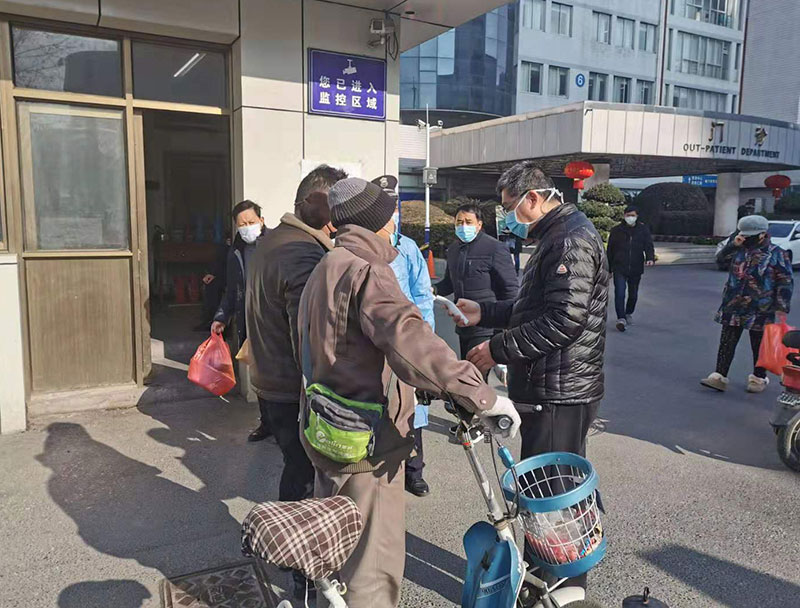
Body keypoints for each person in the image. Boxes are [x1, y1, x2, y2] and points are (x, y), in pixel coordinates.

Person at [298, 177, 520, 608]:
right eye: (390, 213)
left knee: (338, 553)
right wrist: (482, 396)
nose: (394, 221)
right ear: (377, 221)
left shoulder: (328, 264)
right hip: (367, 438)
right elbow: (409, 340)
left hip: (327, 425)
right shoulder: (368, 270)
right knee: (370, 567)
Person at [453, 162, 609, 588]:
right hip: (552, 384)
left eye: (509, 207)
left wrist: (496, 349)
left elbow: (564, 320)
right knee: (545, 490)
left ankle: (558, 586)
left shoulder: (570, 240)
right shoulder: (554, 236)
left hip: (561, 389)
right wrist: (484, 312)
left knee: (552, 495)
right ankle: (544, 579)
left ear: (534, 199)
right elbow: (532, 309)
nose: (507, 217)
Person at [372, 175, 435, 498]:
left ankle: (414, 471)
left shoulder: (407, 248)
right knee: (379, 409)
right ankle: (380, 471)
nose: (390, 213)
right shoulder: (363, 247)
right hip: (373, 346)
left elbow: (423, 296)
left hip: (407, 343)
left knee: (412, 411)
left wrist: (425, 341)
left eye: (393, 205)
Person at [701, 215, 793, 393]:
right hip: (733, 303)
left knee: (758, 344)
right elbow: (720, 261)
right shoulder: (739, 249)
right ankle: (719, 376)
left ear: (762, 234)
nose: (745, 238)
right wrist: (732, 245)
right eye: (743, 234)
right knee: (727, 340)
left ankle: (758, 378)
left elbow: (785, 280)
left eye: (749, 235)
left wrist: (782, 306)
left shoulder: (776, 253)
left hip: (761, 306)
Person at [211, 200, 270, 441]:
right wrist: (222, 317)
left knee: (280, 375)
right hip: (249, 322)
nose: (247, 228)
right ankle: (267, 423)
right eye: (242, 224)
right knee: (258, 377)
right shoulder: (235, 251)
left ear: (261, 221)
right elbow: (231, 289)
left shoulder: (276, 245)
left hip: (273, 323)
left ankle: (286, 425)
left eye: (251, 222)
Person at [435, 202, 519, 360]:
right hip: (462, 322)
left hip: (487, 325)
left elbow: (510, 289)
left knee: (476, 370)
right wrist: (433, 289)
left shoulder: (494, 248)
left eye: (468, 222)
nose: (463, 226)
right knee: (467, 367)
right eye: (459, 222)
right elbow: (449, 283)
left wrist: (510, 322)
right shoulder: (454, 249)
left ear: (479, 225)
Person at [606, 205, 655, 332]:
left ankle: (628, 312)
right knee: (620, 293)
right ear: (624, 216)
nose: (630, 218)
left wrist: (650, 257)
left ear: (637, 216)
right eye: (628, 215)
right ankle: (621, 318)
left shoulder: (643, 230)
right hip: (619, 267)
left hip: (636, 267)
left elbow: (648, 245)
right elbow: (610, 250)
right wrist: (609, 268)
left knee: (633, 295)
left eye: (632, 215)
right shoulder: (616, 230)